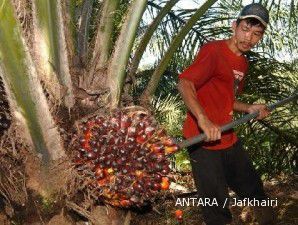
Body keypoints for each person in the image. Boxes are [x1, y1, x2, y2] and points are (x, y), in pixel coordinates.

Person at [177, 3, 275, 225]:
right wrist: (203, 120)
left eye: (256, 34)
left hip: (227, 137)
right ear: (234, 26)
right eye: (245, 29)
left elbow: (228, 99)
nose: (249, 37)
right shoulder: (214, 50)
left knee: (254, 189)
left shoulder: (242, 62)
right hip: (202, 142)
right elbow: (185, 83)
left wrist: (250, 107)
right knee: (216, 206)